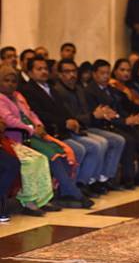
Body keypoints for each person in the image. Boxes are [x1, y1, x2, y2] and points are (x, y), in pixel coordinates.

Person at [0, 65, 92, 210]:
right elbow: (10, 120)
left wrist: (38, 125)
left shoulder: (18, 96)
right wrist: (31, 129)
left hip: (33, 133)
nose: (10, 84)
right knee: (51, 156)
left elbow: (31, 113)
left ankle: (63, 193)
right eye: (6, 80)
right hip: (18, 137)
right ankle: (73, 193)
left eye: (13, 81)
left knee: (63, 152)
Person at [20, 56, 104, 198]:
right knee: (79, 149)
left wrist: (70, 119)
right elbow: (39, 114)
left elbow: (62, 109)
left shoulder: (51, 88)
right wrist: (64, 122)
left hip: (62, 129)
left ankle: (80, 184)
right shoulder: (27, 90)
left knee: (93, 146)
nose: (44, 72)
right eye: (39, 69)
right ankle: (68, 189)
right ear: (29, 72)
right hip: (49, 130)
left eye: (45, 68)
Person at [84, 59, 139, 189]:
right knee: (128, 140)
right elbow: (102, 115)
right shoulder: (89, 91)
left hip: (119, 123)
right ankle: (126, 179)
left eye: (108, 73)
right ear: (94, 74)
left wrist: (132, 118)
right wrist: (124, 121)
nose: (106, 76)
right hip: (103, 126)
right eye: (102, 73)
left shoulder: (112, 90)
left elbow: (125, 107)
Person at [54, 59, 126, 191]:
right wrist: (94, 115)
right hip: (70, 130)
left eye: (74, 71)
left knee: (118, 140)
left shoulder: (79, 89)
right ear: (59, 74)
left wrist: (101, 113)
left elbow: (87, 114)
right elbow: (70, 118)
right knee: (98, 144)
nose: (72, 75)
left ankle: (104, 178)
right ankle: (85, 182)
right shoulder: (58, 91)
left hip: (86, 126)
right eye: (67, 71)